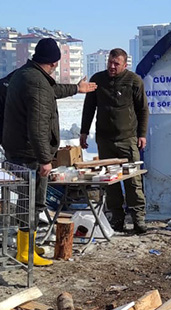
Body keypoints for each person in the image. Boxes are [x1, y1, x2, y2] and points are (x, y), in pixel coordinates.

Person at [3, 38, 97, 266]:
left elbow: (52, 90)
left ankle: (27, 245)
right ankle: (25, 252)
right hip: (30, 155)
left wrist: (77, 88)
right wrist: (45, 159)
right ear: (55, 63)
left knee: (27, 201)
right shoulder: (37, 84)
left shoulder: (25, 74)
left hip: (17, 149)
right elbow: (37, 126)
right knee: (32, 203)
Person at [80, 48, 149, 234]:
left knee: (133, 181)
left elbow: (143, 109)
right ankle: (117, 218)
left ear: (125, 64)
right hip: (105, 140)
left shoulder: (134, 81)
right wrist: (83, 132)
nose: (111, 66)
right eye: (109, 63)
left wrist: (142, 134)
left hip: (127, 139)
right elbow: (89, 108)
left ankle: (138, 219)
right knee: (110, 181)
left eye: (116, 64)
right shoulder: (98, 80)